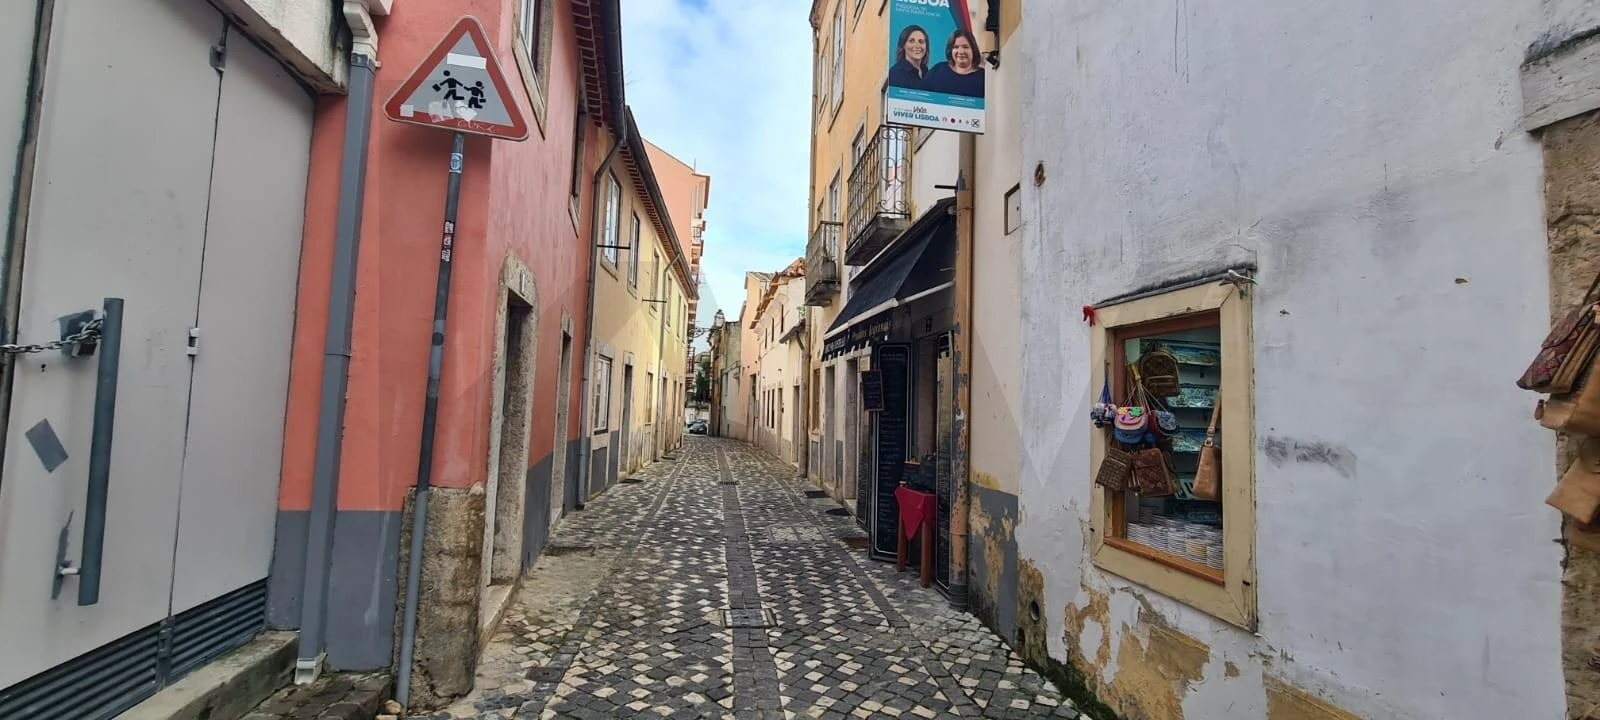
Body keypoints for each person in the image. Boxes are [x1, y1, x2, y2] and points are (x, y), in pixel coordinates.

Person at [925, 29, 985, 99]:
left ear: (973, 50)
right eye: (956, 47)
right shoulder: (938, 70)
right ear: (951, 50)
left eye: (965, 47)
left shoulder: (983, 77)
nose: (960, 51)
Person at [886, 25, 931, 90]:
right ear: (903, 45)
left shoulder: (928, 74)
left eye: (921, 41)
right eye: (911, 41)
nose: (917, 45)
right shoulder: (895, 73)